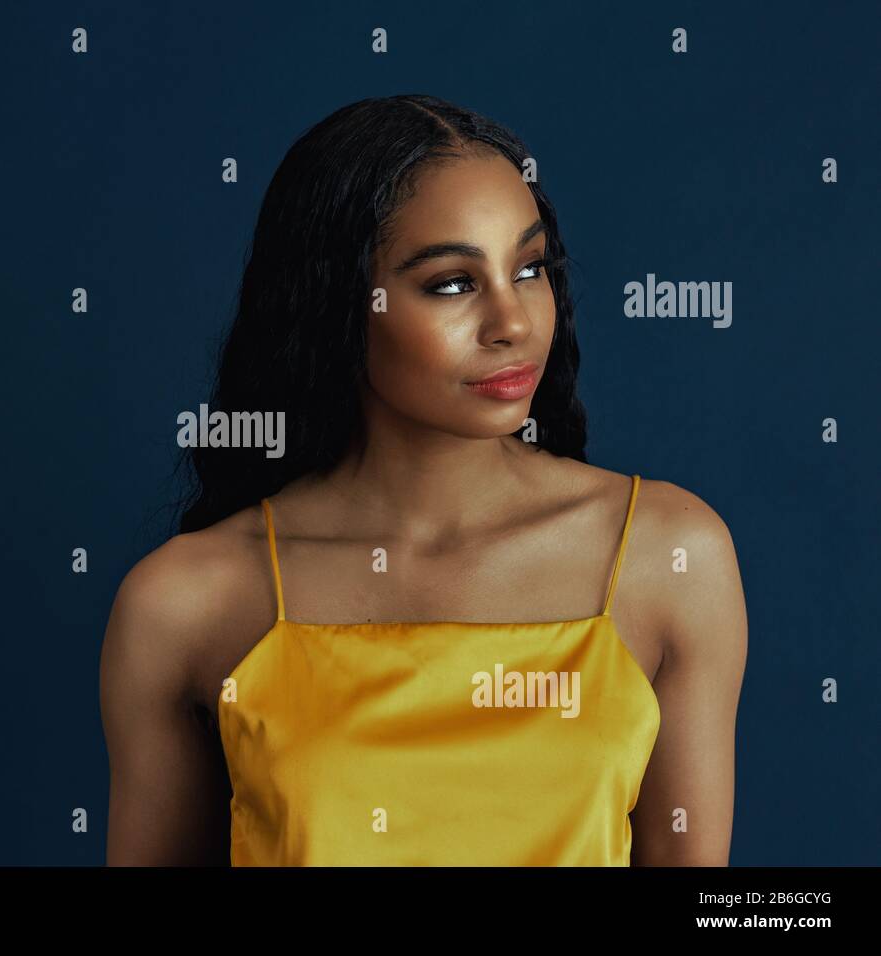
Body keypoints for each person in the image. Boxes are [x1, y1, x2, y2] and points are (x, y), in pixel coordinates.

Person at [100, 94, 747, 865]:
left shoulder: (669, 558)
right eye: (451, 283)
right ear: (338, 304)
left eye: (530, 268)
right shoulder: (186, 603)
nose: (513, 321)